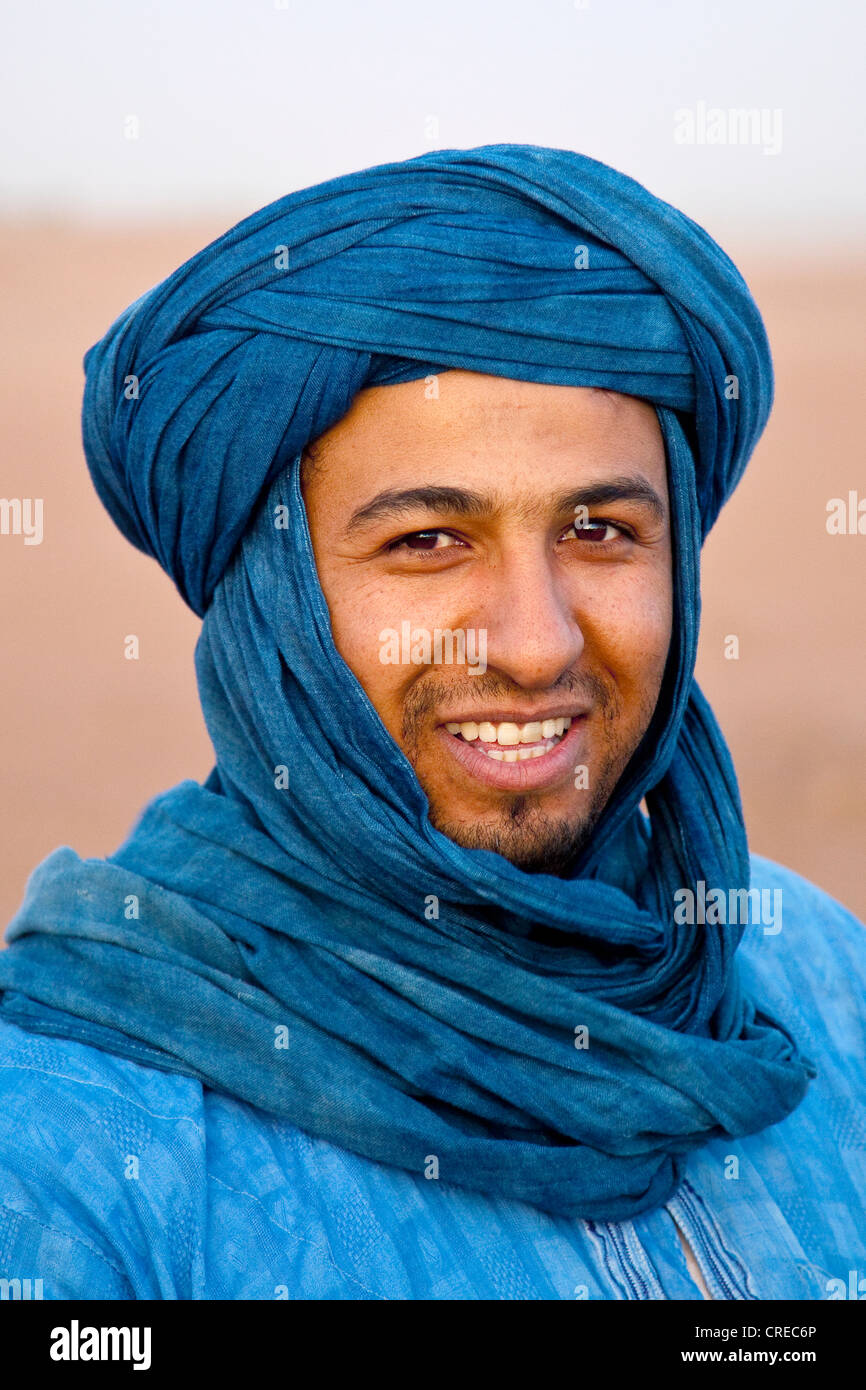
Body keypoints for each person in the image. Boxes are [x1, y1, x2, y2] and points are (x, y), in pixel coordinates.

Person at [0, 144, 863, 1302]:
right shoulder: (74, 1151)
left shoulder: (817, 976)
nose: (533, 642)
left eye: (598, 529)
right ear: (278, 600)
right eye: (425, 541)